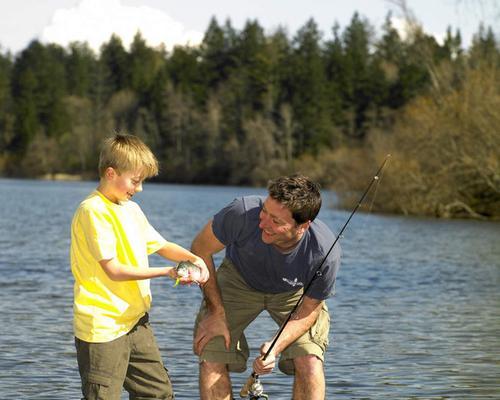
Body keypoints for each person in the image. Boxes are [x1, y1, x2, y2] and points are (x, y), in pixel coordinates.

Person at [70, 134, 209, 400]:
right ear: (111, 173)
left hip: (136, 322)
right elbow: (114, 270)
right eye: (135, 180)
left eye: (142, 180)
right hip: (103, 326)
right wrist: (167, 272)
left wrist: (195, 259)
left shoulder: (131, 209)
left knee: (158, 393)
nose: (140, 188)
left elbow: (161, 245)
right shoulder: (92, 211)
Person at [192, 175, 341, 400]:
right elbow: (200, 249)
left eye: (276, 221)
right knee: (211, 355)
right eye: (265, 211)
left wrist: (276, 346)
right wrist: (216, 312)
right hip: (237, 281)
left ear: (303, 226)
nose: (263, 223)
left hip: (293, 292)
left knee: (310, 361)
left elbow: (310, 309)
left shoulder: (324, 253)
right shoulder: (241, 212)